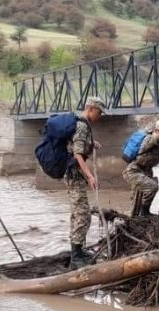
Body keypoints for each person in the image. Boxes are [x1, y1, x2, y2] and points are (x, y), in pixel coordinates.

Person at [65, 97, 106, 269]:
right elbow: (77, 155)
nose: (100, 115)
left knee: (77, 213)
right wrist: (90, 176)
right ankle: (76, 256)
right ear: (90, 108)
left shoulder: (82, 125)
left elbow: (78, 145)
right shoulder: (82, 126)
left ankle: (77, 250)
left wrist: (91, 144)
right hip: (75, 174)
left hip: (73, 174)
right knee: (83, 214)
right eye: (99, 112)